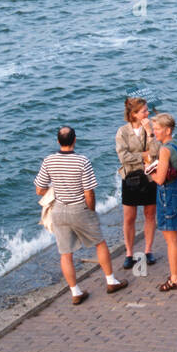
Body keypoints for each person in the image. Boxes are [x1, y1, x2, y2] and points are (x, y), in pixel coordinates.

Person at [35, 126, 128, 305]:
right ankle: (111, 281)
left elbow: (39, 189)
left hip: (59, 211)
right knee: (99, 243)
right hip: (80, 208)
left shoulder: (49, 160)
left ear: (58, 141)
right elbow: (89, 193)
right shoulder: (82, 161)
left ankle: (75, 292)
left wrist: (57, 191)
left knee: (65, 253)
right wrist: (91, 211)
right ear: (75, 140)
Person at [115, 96, 158, 270]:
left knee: (150, 214)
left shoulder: (152, 128)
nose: (147, 113)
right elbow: (123, 157)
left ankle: (148, 250)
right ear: (134, 114)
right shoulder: (122, 132)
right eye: (144, 111)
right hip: (130, 177)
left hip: (149, 176)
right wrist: (143, 156)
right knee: (129, 217)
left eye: (147, 110)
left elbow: (156, 152)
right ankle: (129, 253)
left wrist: (150, 133)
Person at [149, 112, 177, 291]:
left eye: (158, 129)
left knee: (171, 240)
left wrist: (148, 169)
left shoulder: (164, 150)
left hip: (169, 197)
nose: (155, 132)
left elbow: (159, 179)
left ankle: (174, 278)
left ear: (167, 130)